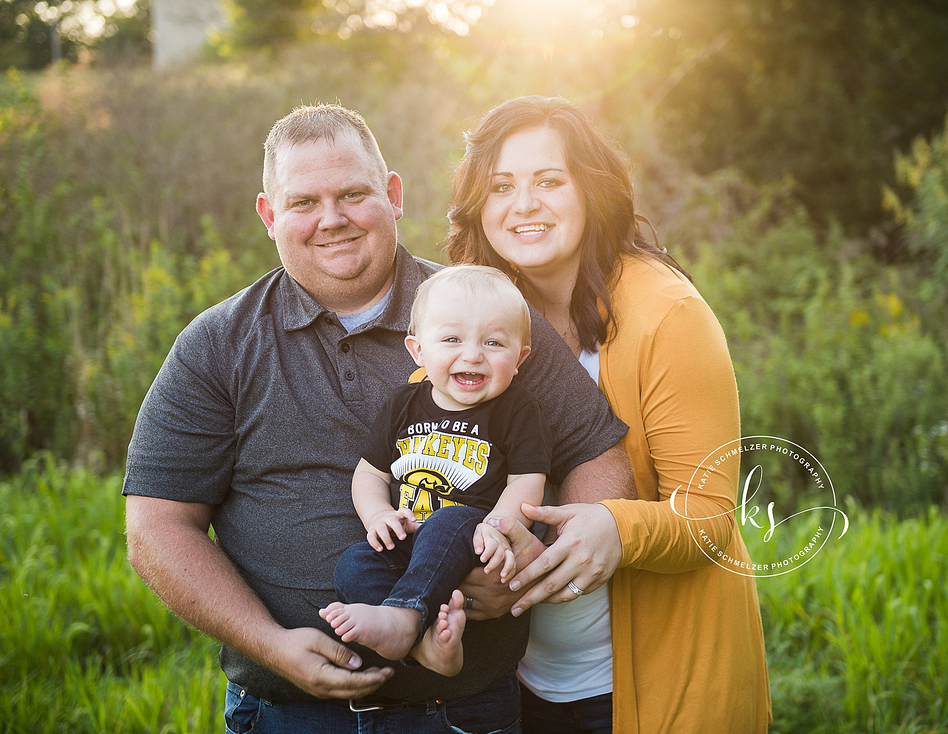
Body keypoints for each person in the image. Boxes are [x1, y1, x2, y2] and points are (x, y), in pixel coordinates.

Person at [122, 104, 634, 733]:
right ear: (268, 215)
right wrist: (268, 643)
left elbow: (597, 452)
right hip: (289, 714)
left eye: (353, 194)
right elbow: (157, 524)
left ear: (393, 195)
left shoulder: (482, 313)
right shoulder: (218, 344)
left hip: (465, 710)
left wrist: (532, 567)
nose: (331, 219)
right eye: (303, 201)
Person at [446, 96, 772, 733]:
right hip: (513, 688)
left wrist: (617, 530)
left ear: (590, 190)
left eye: (549, 181)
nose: (524, 205)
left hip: (650, 691)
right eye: (502, 186)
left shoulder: (669, 316)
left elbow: (709, 517)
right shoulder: (466, 316)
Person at [320, 265, 549, 678]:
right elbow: (370, 474)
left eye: (494, 342)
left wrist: (499, 528)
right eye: (451, 339)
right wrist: (379, 517)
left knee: (451, 517)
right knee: (354, 562)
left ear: (520, 358)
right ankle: (423, 645)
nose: (473, 354)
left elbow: (528, 482)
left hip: (473, 542)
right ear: (418, 351)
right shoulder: (402, 405)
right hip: (409, 540)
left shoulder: (517, 410)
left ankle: (405, 618)